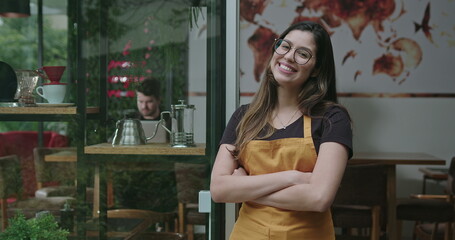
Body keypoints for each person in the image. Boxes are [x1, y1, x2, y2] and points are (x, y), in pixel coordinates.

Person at [210, 21, 353, 239]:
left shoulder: (332, 118)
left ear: (316, 70)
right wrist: (293, 177)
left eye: (303, 54)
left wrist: (244, 187)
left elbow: (319, 198)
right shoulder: (243, 117)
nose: (288, 57)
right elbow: (219, 190)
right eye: (285, 46)